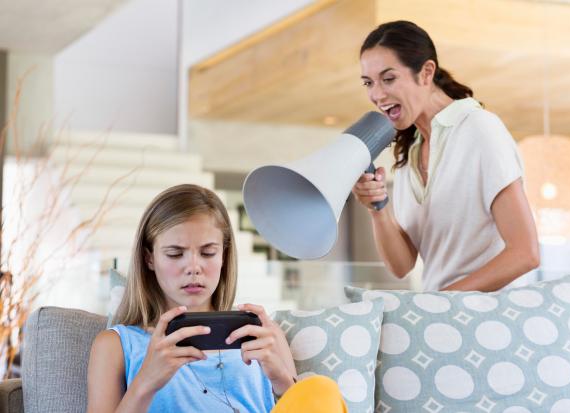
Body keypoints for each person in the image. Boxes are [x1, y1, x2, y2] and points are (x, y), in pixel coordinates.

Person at [87, 184, 347, 413]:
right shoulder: (116, 345)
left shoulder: (261, 333)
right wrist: (145, 383)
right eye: (175, 254)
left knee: (321, 390)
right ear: (149, 258)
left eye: (208, 253)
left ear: (224, 256)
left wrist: (281, 379)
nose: (194, 267)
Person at [352, 20, 539, 292]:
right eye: (368, 83)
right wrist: (378, 210)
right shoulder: (409, 154)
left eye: (388, 79)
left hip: (491, 322)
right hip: (443, 322)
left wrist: (441, 303)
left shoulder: (479, 129)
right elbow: (402, 266)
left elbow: (525, 253)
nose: (377, 94)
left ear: (426, 73)